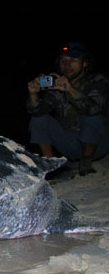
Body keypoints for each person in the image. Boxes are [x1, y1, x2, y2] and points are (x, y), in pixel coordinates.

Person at [27, 42, 109, 176]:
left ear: (85, 63)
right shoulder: (57, 87)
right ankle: (49, 164)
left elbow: (94, 109)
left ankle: (86, 163)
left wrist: (70, 90)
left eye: (73, 60)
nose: (67, 65)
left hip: (99, 144)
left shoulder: (98, 81)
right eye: (63, 61)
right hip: (70, 144)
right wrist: (33, 94)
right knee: (39, 119)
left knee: (91, 116)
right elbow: (37, 112)